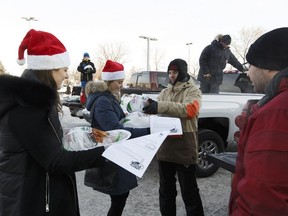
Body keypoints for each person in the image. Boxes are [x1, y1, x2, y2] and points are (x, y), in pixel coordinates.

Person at [0, 29, 106, 216]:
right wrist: (105, 154)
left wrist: (75, 137)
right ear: (50, 68)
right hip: (30, 201)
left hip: (36, 195)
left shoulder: (36, 100)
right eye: (64, 70)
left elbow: (44, 143)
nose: (66, 75)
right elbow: (55, 160)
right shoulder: (28, 105)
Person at [229, 27, 288, 215]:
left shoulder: (276, 112)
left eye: (251, 65)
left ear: (269, 64)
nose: (247, 73)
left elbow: (263, 199)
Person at [84, 60, 150, 216]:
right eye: (118, 82)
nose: (121, 85)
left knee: (120, 196)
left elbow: (111, 120)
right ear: (108, 81)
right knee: (119, 198)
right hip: (112, 155)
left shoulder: (107, 97)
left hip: (116, 152)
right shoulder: (102, 100)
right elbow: (116, 131)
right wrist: (148, 131)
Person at [143, 58, 204, 216]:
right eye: (169, 72)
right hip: (165, 146)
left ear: (182, 72)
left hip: (184, 145)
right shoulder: (164, 92)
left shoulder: (193, 90)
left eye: (175, 72)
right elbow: (159, 110)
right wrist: (148, 106)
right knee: (165, 190)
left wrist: (160, 106)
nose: (171, 75)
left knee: (189, 191)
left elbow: (190, 110)